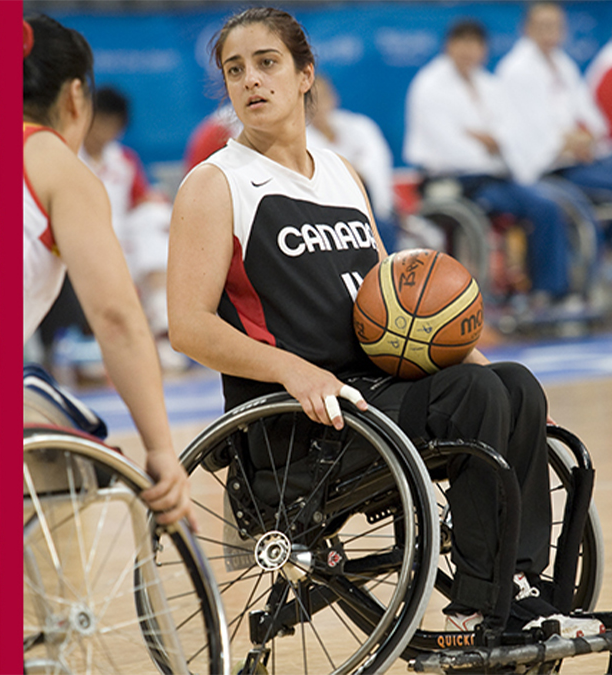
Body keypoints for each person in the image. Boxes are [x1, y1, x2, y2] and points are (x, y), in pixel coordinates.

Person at [168, 5, 602, 637]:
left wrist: (501, 386)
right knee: (477, 394)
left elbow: (394, 306)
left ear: (304, 74)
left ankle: (524, 584)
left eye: (267, 64)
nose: (251, 82)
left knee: (513, 385)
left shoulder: (342, 174)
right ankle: (485, 605)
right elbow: (189, 327)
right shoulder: (215, 184)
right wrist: (295, 371)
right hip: (301, 423)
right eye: (236, 70)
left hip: (377, 395)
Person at [23, 13, 193, 527]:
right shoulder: (58, 165)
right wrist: (161, 449)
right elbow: (117, 318)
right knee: (78, 448)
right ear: (76, 96)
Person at [404, 19, 574, 305]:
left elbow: (510, 134)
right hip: (449, 180)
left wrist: (486, 139)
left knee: (545, 206)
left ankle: (547, 293)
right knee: (494, 206)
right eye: (463, 43)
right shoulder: (429, 85)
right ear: (449, 46)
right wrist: (489, 143)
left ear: (484, 50)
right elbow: (449, 146)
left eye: (476, 44)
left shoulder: (490, 85)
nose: (469, 51)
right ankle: (471, 301)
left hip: (493, 177)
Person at [79, 87, 175, 358]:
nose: (106, 131)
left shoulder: (123, 160)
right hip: (83, 240)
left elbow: (138, 200)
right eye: (101, 122)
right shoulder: (68, 158)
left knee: (157, 216)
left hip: (121, 240)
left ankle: (161, 319)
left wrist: (151, 200)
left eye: (114, 125)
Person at [496, 2, 612, 200]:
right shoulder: (516, 70)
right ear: (526, 28)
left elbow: (588, 112)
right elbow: (525, 128)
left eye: (556, 26)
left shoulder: (564, 65)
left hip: (574, 159)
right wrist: (565, 143)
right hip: (543, 166)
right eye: (544, 25)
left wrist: (589, 136)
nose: (550, 32)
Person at [306, 74, 399, 251]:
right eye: (310, 99)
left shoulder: (360, 126)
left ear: (334, 97)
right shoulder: (299, 139)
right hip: (332, 219)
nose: (317, 104)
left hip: (379, 211)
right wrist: (353, 169)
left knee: (385, 227)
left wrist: (353, 171)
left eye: (322, 97)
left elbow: (377, 165)